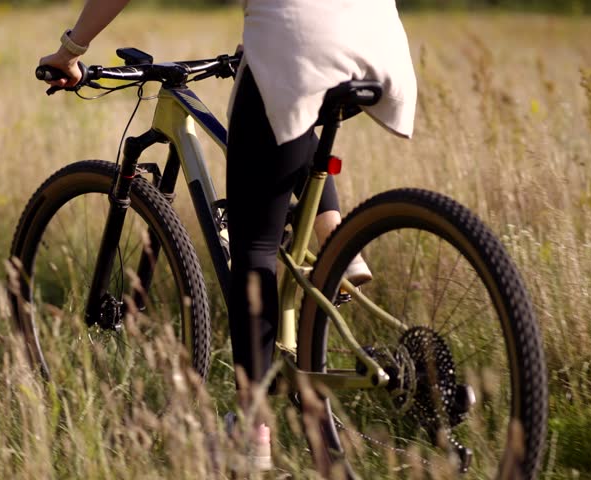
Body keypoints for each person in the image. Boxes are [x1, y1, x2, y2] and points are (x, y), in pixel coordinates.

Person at [40, 0, 417, 471]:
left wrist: (70, 50)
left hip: (304, 39)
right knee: (287, 117)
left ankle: (251, 430)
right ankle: (338, 245)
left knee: (253, 244)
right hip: (379, 41)